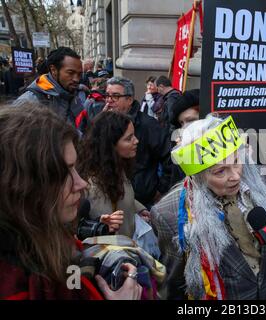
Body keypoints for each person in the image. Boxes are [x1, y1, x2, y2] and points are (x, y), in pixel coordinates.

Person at [0, 102, 142, 299]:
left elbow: (72, 286)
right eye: (63, 173)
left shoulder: (56, 239)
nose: (81, 183)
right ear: (21, 186)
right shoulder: (13, 282)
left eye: (75, 167)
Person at [151, 114, 266, 300]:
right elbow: (176, 285)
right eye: (220, 171)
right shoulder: (168, 214)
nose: (235, 176)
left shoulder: (264, 181)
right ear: (198, 177)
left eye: (236, 162)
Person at [78, 111, 161, 258]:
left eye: (134, 135)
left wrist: (139, 209)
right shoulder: (94, 187)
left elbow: (123, 194)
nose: (136, 141)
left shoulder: (115, 170)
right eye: (129, 138)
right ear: (111, 145)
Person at [103, 76, 172, 208]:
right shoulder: (103, 122)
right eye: (107, 95)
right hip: (110, 198)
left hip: (143, 200)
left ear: (129, 99)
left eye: (115, 96)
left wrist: (160, 190)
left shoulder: (148, 125)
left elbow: (169, 157)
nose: (109, 100)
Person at [15, 47, 84, 127]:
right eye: (70, 73)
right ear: (53, 70)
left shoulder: (74, 95)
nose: (76, 79)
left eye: (79, 74)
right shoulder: (28, 102)